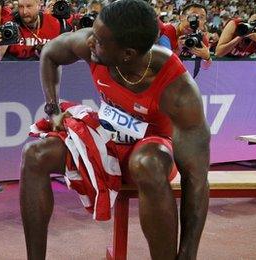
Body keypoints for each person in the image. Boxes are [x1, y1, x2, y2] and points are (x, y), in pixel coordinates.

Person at [20, 0, 210, 259]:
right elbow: (50, 53)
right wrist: (52, 109)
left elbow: (197, 180)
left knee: (148, 163)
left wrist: (188, 254)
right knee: (34, 154)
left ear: (127, 54)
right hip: (107, 139)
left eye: (98, 40)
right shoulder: (93, 46)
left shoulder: (179, 91)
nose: (89, 42)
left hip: (153, 147)